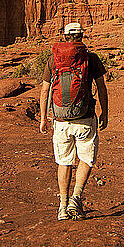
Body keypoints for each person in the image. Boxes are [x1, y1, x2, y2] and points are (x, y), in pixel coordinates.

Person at [39, 22, 108, 221]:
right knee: (86, 158)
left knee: (64, 162)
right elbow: (102, 88)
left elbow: (45, 90)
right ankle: (75, 199)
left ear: (65, 36)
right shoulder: (91, 58)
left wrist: (44, 117)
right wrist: (105, 112)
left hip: (60, 119)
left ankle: (62, 206)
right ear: (81, 36)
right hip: (85, 118)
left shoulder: (54, 59)